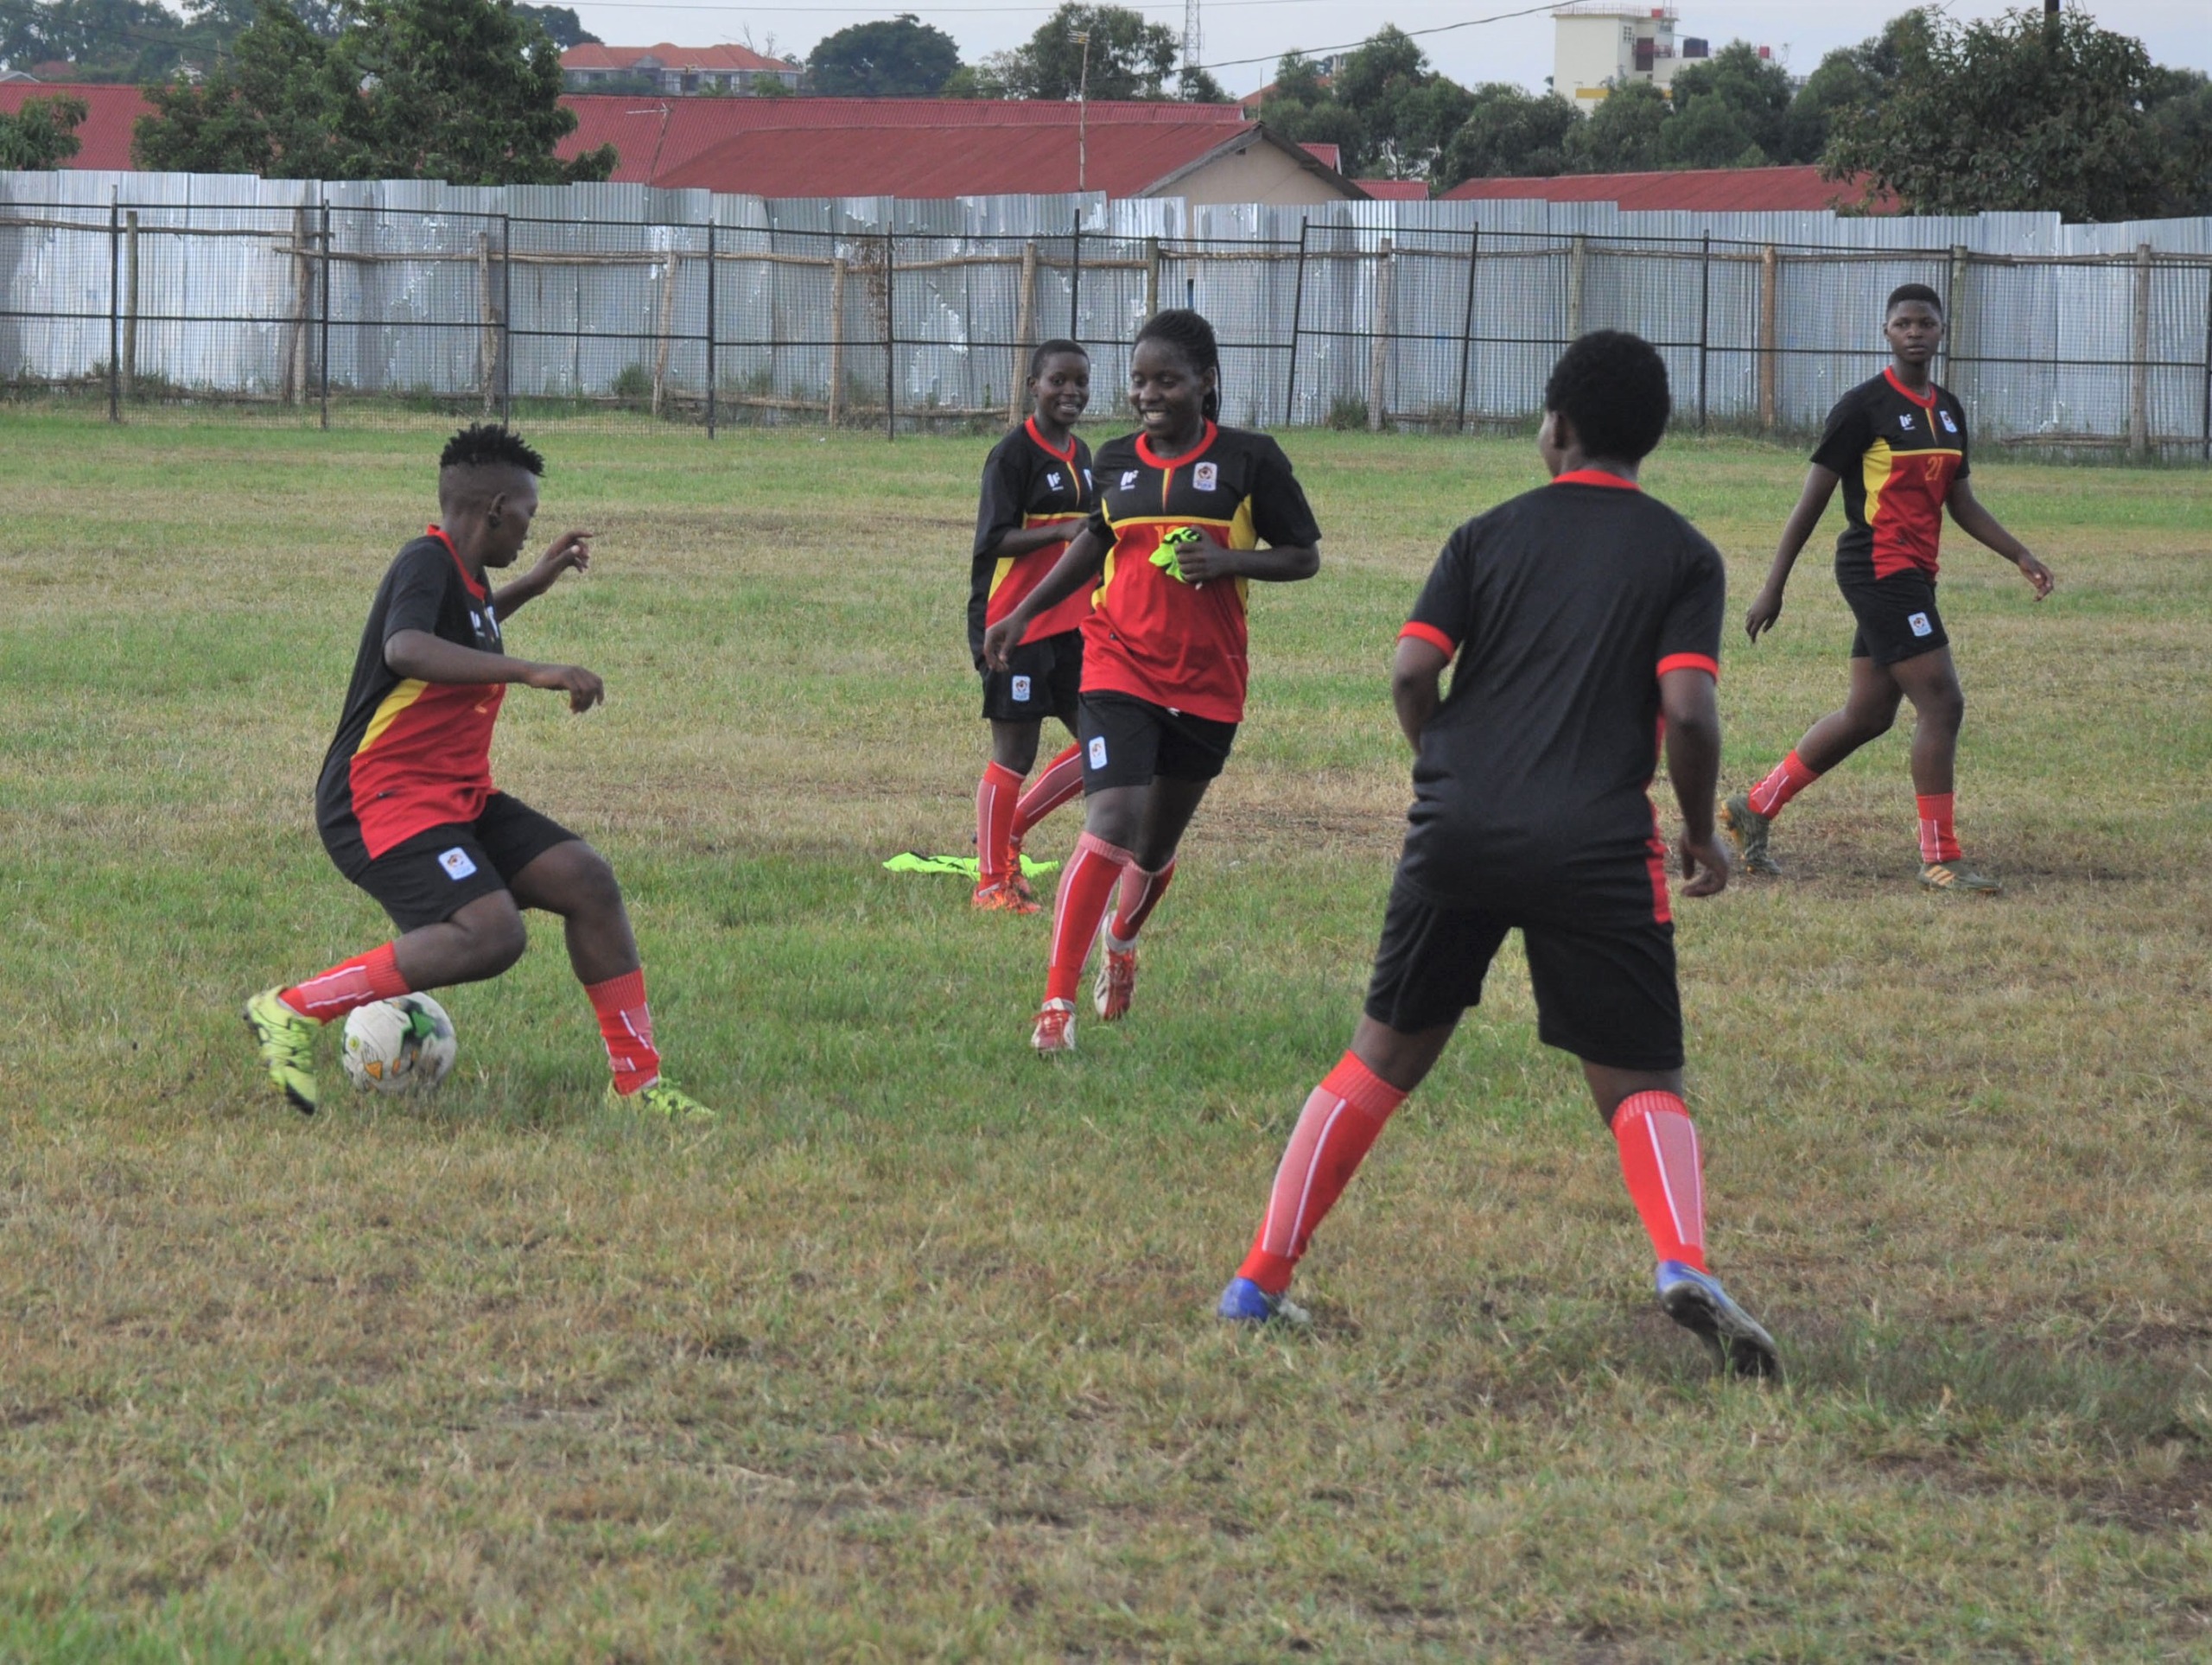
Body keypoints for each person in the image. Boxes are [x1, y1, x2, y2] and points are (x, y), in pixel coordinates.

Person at [1214, 331, 1779, 1378]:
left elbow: (1409, 671)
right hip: (1596, 843)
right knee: (1640, 1077)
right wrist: (1700, 829)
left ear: (1554, 427)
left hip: (1457, 828)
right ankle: (1680, 1262)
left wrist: (1448, 772)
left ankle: (1257, 1282)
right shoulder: (1682, 553)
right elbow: (1689, 708)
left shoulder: (1484, 534)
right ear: (1651, 438)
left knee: (1379, 1055)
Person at [243, 423, 711, 1120]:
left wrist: (531, 584)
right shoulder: (424, 561)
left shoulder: (466, 581)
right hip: (378, 795)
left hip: (455, 797)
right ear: (494, 508)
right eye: (527, 514)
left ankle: (638, 1085)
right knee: (492, 934)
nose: (529, 526)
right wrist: (533, 670)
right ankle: (288, 1009)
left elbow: (469, 621)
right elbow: (407, 648)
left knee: (587, 879)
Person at [982, 309, 1323, 1055]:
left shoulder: (1249, 460)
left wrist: (1229, 560)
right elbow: (1097, 539)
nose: (1148, 394)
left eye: (1166, 380)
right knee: (1112, 819)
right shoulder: (1114, 460)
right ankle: (1054, 1006)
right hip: (1116, 661)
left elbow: (1303, 555)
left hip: (1208, 681)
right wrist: (1024, 613)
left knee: (1154, 848)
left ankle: (1124, 936)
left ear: (1206, 382)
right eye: (1139, 380)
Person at [1721, 283, 2056, 893]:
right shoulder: (1863, 407)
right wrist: (1773, 586)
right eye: (1903, 322)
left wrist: (2019, 553)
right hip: (1877, 568)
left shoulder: (1949, 409)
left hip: (1914, 574)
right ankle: (1940, 857)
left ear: (1940, 331)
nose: (1915, 331)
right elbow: (1810, 503)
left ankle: (1755, 806)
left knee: (1869, 713)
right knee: (1942, 703)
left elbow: (1961, 500)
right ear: (1886, 332)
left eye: (1925, 322)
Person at [969, 340, 1096, 913]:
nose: (1070, 392)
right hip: (1014, 625)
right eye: (1058, 381)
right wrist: (1060, 530)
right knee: (1014, 753)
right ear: (1033, 386)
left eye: (1080, 383)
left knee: (1104, 744)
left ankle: (1010, 832)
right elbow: (992, 539)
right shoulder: (1013, 455)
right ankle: (991, 882)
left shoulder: (1082, 452)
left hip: (1075, 625)